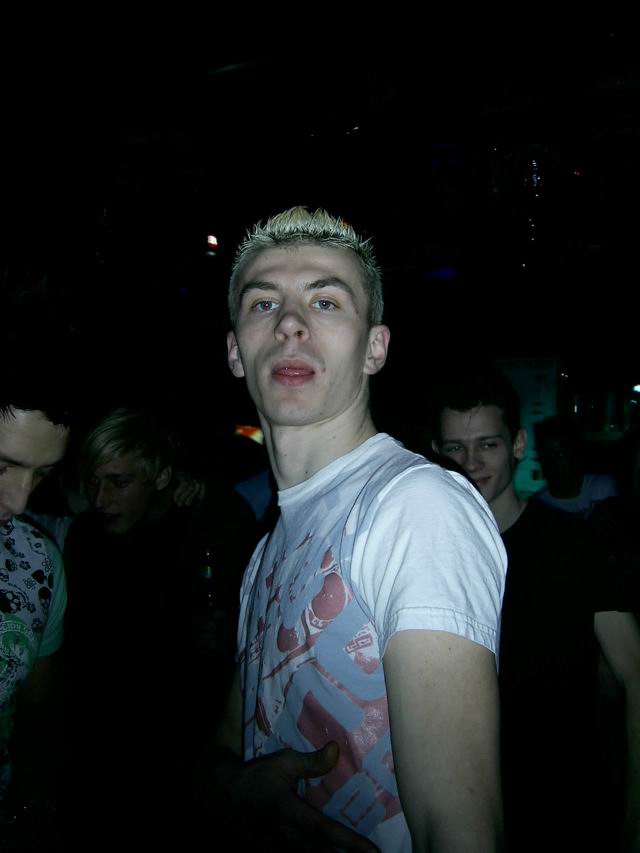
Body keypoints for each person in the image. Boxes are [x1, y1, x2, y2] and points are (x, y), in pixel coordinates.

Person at [201, 206, 508, 852]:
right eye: (263, 304)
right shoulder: (267, 550)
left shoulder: (414, 507)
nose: (289, 323)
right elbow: (232, 738)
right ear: (234, 351)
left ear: (376, 348)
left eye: (326, 302)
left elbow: (460, 833)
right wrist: (239, 788)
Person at [431, 370, 640, 853]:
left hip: (567, 804)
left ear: (518, 445)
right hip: (463, 810)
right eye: (455, 448)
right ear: (436, 453)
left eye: (488, 444)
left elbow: (634, 671)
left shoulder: (573, 544)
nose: (471, 463)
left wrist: (635, 816)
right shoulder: (430, 556)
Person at [59, 406, 259, 845]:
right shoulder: (85, 540)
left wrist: (231, 636)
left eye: (118, 482)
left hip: (186, 762)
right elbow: (85, 656)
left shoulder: (205, 526)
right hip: (99, 760)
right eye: (94, 481)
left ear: (163, 477)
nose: (100, 498)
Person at [0, 383, 71, 847]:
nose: (20, 502)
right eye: (2, 466)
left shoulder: (38, 563)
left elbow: (34, 714)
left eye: (40, 474)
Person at [534, 414, 618, 518]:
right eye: (545, 456)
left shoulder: (602, 488)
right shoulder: (539, 506)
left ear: (577, 456)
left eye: (560, 455)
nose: (551, 463)